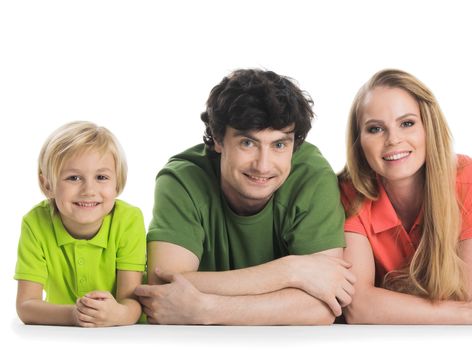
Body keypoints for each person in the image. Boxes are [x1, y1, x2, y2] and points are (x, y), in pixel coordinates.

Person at [135, 69, 355, 325]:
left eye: (279, 145)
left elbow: (323, 307)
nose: (263, 165)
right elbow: (162, 288)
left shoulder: (311, 175)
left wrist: (208, 310)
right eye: (248, 143)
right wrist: (290, 271)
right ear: (218, 139)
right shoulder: (183, 179)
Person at [339, 69, 472, 324]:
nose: (393, 140)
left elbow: (468, 294)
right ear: (358, 141)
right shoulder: (348, 190)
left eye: (407, 123)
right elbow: (358, 308)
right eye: (375, 129)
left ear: (428, 127)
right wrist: (469, 313)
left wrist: (387, 301)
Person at [15, 121, 145, 327]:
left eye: (101, 177)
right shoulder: (35, 223)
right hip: (63, 338)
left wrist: (118, 315)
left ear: (117, 183)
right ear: (47, 184)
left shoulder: (129, 220)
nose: (89, 190)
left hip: (121, 337)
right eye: (73, 178)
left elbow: (132, 302)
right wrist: (75, 315)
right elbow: (26, 305)